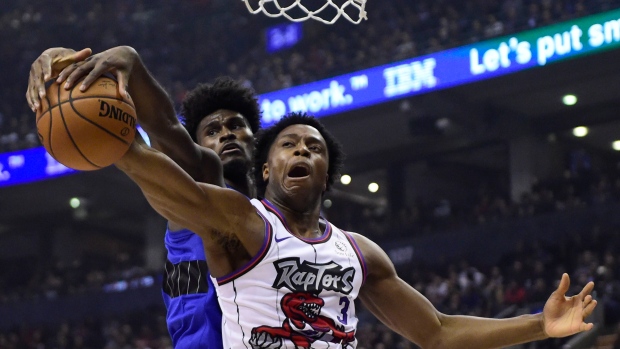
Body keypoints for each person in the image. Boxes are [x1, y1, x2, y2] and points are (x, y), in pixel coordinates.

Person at [112, 112, 597, 349]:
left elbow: (437, 331)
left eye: (313, 147)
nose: (301, 151)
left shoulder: (359, 253)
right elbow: (172, 184)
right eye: (288, 145)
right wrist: (116, 138)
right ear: (266, 169)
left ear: (327, 173)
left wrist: (539, 325)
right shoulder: (242, 221)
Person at [26, 46, 262, 348]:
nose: (226, 134)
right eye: (212, 131)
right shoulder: (199, 187)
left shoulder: (279, 224)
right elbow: (164, 128)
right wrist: (102, 68)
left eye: (236, 125)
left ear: (256, 138)